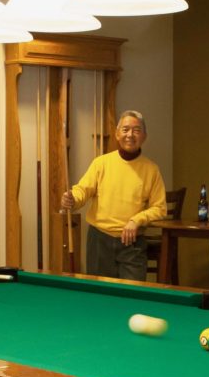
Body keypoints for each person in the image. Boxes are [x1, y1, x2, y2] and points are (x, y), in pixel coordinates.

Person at [60, 110, 167, 281]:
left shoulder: (151, 170)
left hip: (132, 243)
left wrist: (136, 220)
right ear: (117, 134)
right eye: (125, 130)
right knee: (100, 297)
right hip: (99, 240)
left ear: (144, 136)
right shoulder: (101, 163)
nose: (130, 135)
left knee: (133, 295)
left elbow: (160, 208)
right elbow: (83, 190)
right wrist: (72, 198)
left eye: (136, 130)